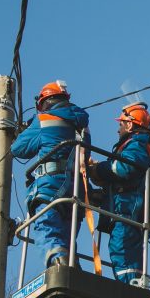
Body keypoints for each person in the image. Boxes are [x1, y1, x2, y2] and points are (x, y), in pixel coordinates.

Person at [86, 102, 150, 285]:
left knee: (123, 251)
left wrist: (99, 169)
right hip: (129, 208)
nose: (118, 130)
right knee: (125, 252)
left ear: (130, 124)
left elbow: (125, 168)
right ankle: (132, 284)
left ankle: (130, 287)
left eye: (120, 124)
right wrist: (100, 193)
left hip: (127, 210)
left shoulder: (136, 144)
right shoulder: (141, 145)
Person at [11, 80, 90, 267]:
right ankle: (71, 267)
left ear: (44, 101)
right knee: (67, 236)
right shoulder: (82, 125)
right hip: (76, 188)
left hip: (50, 185)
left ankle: (58, 262)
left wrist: (23, 132)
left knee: (47, 227)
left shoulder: (43, 120)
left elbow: (18, 149)